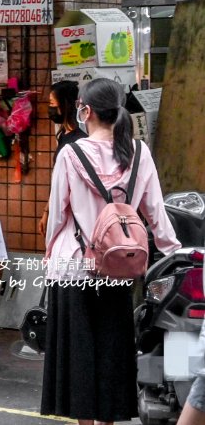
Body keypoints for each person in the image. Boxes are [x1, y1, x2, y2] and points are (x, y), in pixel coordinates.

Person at [41, 78, 180, 425]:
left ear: (85, 110)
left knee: (79, 354)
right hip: (119, 266)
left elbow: (58, 214)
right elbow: (155, 213)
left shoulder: (71, 154)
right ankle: (108, 421)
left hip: (75, 267)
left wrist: (48, 257)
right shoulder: (139, 152)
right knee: (112, 351)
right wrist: (174, 254)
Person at [39, 80, 87, 236]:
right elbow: (57, 181)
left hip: (73, 216)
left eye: (52, 103)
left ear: (64, 105)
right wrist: (47, 212)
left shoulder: (79, 140)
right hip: (60, 211)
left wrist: (52, 214)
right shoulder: (63, 136)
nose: (50, 108)